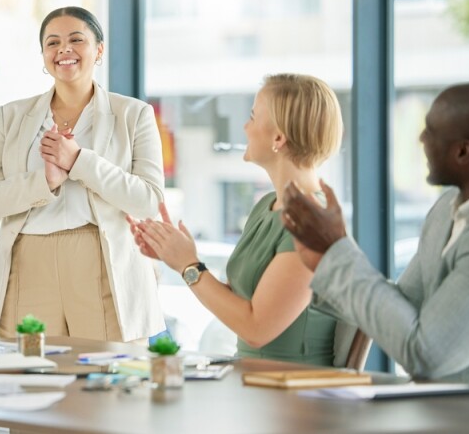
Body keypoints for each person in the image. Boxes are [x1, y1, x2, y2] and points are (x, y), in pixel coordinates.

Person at [0, 6, 165, 342]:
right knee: (28, 378)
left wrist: (80, 162)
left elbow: (148, 200)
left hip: (102, 259)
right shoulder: (10, 116)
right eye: (53, 42)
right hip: (28, 261)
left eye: (77, 39)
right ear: (44, 55)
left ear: (99, 50)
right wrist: (43, 182)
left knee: (107, 379)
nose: (64, 50)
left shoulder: (134, 115)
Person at [130, 74, 343, 365]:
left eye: (253, 117)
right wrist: (178, 256)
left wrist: (188, 265)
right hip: (252, 379)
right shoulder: (267, 206)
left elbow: (256, 329)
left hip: (293, 393)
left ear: (279, 138)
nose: (245, 126)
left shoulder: (311, 224)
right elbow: (239, 301)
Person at [281, 82, 469, 381]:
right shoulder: (444, 210)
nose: (421, 139)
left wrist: (337, 251)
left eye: (432, 131)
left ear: (463, 151)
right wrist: (324, 263)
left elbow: (428, 355)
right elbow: (405, 306)